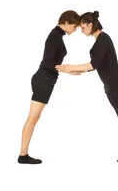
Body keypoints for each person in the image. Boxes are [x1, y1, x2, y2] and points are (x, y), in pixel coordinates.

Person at [55, 11, 118, 164]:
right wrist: (71, 71)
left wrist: (71, 67)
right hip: (110, 85)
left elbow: (93, 65)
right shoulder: (99, 41)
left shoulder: (103, 39)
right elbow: (93, 66)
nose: (81, 31)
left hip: (117, 84)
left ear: (90, 24)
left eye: (83, 27)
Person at [18, 10, 81, 164]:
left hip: (45, 78)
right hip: (44, 79)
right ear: (66, 23)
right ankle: (23, 155)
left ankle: (23, 154)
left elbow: (52, 63)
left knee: (34, 118)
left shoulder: (57, 35)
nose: (75, 29)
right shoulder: (55, 36)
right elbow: (48, 62)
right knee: (32, 119)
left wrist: (68, 71)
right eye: (74, 26)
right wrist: (68, 69)